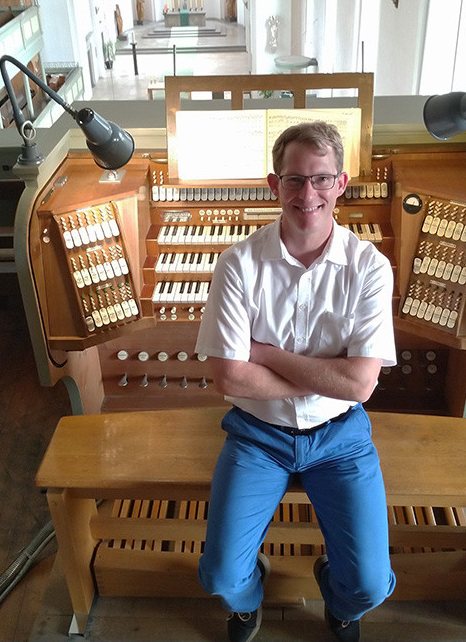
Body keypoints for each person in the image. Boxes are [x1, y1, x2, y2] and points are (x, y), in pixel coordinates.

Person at [196, 121, 397, 642]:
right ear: (273, 184)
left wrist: (266, 355)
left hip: (340, 436)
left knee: (370, 586)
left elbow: (357, 390)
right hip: (258, 434)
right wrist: (329, 375)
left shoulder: (370, 268)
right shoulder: (237, 264)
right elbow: (230, 379)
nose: (307, 194)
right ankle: (249, 595)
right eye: (293, 180)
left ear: (341, 184)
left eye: (321, 179)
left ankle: (337, 593)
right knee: (220, 575)